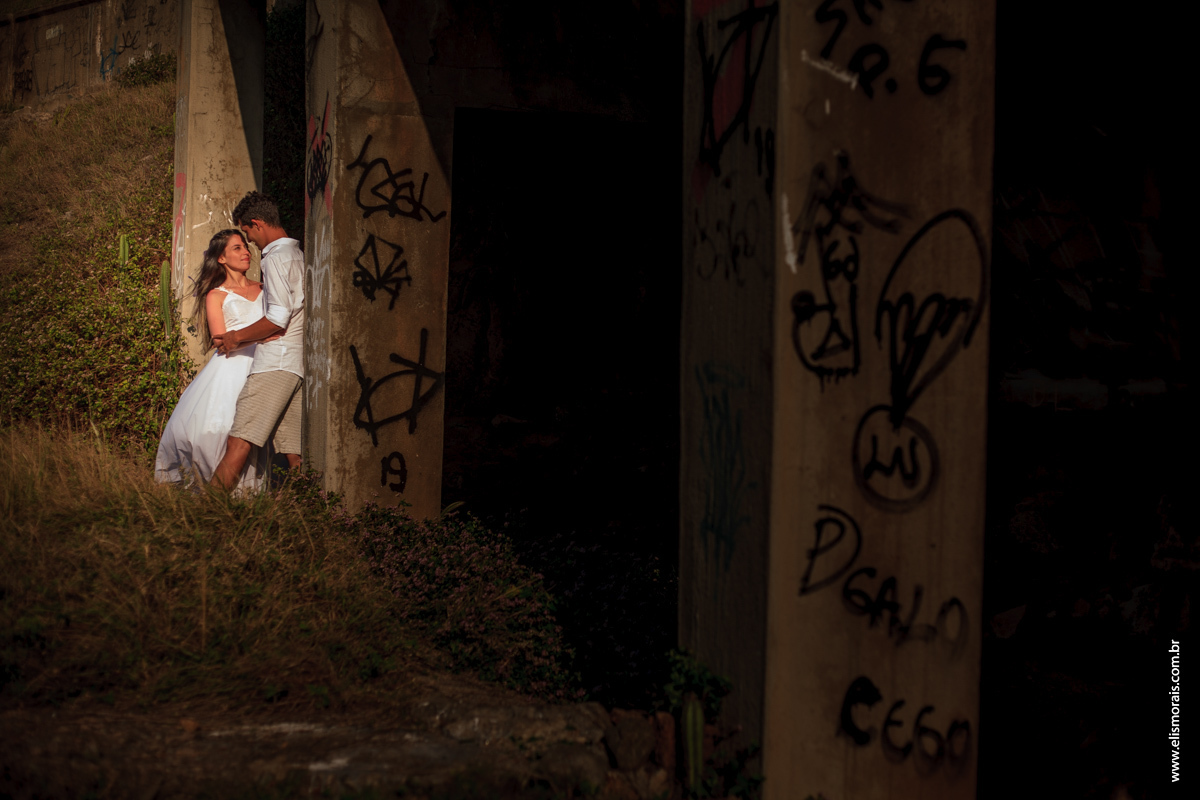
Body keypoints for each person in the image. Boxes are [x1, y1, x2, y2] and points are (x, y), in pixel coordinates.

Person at [155, 229, 269, 488]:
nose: (245, 252)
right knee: (213, 429)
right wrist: (264, 336)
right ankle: (216, 488)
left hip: (266, 362)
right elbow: (220, 338)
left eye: (245, 246)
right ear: (221, 258)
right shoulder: (216, 295)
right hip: (231, 367)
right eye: (237, 248)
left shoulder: (265, 287)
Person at [210, 191, 305, 489]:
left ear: (257, 223)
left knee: (238, 444)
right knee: (295, 454)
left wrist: (236, 337)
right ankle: (307, 514)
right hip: (296, 365)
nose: (249, 241)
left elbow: (278, 317)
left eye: (247, 232)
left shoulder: (275, 257)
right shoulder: (298, 255)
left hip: (274, 363)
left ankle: (202, 518)